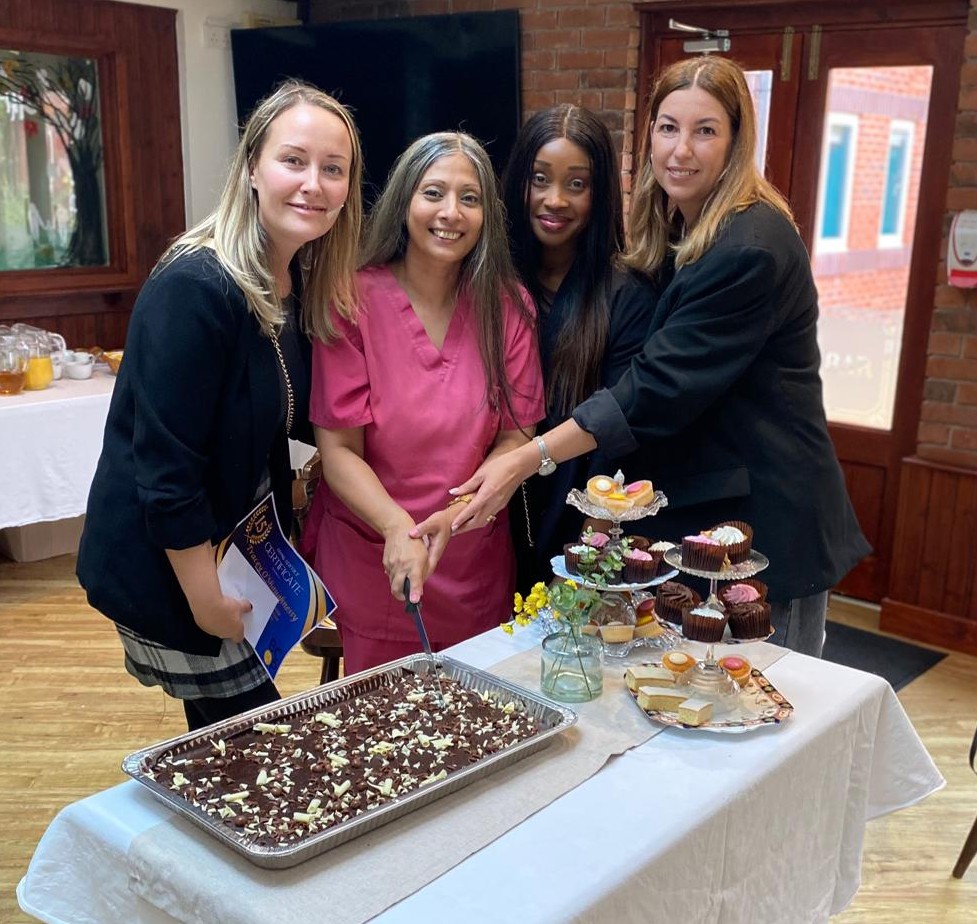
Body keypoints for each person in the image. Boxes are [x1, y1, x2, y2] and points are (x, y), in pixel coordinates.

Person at [442, 57, 870, 656]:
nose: (681, 150)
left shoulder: (750, 247)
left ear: (737, 139)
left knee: (767, 718)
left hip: (766, 524)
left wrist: (529, 457)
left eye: (705, 130)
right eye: (668, 128)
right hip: (703, 518)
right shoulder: (681, 231)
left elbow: (656, 388)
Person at [77, 81, 363, 730]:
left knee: (224, 746)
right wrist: (205, 596)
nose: (312, 183)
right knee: (260, 744)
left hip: (230, 552)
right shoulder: (197, 287)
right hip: (170, 566)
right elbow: (165, 471)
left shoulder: (294, 278)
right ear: (253, 168)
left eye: (333, 168)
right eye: (293, 160)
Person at [304, 131, 544, 674]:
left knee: (474, 728)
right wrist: (396, 528)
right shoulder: (350, 298)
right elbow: (339, 449)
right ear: (404, 201)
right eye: (433, 193)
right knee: (386, 736)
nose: (451, 212)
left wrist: (458, 514)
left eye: (470, 197)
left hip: (472, 561)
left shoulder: (509, 307)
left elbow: (517, 437)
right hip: (376, 559)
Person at [500, 104, 658, 586]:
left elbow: (620, 439)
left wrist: (585, 562)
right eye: (540, 178)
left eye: (576, 184)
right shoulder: (491, 283)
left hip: (576, 527)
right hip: (490, 522)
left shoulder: (625, 293)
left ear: (600, 192)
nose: (554, 200)